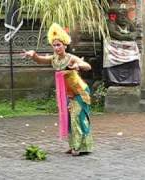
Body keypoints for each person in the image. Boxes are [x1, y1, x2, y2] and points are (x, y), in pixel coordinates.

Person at [22, 23, 93, 156]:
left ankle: (79, 147)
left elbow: (87, 66)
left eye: (59, 45)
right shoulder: (54, 59)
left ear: (65, 45)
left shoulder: (71, 58)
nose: (56, 47)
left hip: (80, 92)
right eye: (54, 45)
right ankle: (73, 145)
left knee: (77, 118)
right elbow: (41, 60)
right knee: (69, 119)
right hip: (67, 93)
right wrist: (33, 55)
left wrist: (78, 65)